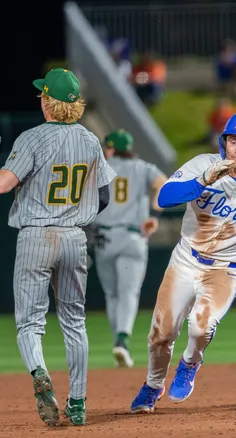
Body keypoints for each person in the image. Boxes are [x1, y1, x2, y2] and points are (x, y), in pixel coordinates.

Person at [0, 68, 117, 426]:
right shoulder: (91, 140)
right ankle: (78, 403)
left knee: (30, 324)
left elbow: (2, 184)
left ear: (48, 102)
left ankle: (39, 372)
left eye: (42, 95)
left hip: (36, 235)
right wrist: (77, 212)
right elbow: (105, 196)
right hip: (74, 238)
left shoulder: (33, 138)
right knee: (74, 323)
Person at [129, 112, 236, 413]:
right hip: (186, 261)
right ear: (224, 143)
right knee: (162, 333)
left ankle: (189, 363)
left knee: (201, 326)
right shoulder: (202, 165)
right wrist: (203, 181)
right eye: (232, 141)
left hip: (227, 269)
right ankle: (153, 385)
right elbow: (165, 198)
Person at [91, 129, 167, 368]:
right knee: (128, 293)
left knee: (112, 295)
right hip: (133, 238)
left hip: (105, 238)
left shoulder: (98, 168)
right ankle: (122, 340)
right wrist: (154, 215)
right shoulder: (142, 167)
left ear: (110, 148)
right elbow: (164, 185)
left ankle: (119, 340)